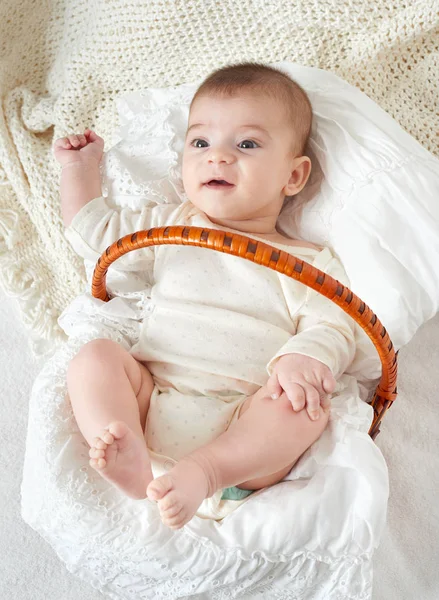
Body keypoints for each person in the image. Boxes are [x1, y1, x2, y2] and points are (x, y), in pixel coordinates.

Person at [53, 62, 356, 530]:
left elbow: (334, 323)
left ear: (293, 177)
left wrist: (303, 356)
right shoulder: (174, 227)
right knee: (94, 358)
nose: (218, 157)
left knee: (300, 407)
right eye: (200, 143)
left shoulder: (307, 262)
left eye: (247, 144)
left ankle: (207, 471)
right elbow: (97, 237)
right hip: (155, 395)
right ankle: (125, 450)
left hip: (245, 426)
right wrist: (78, 170)